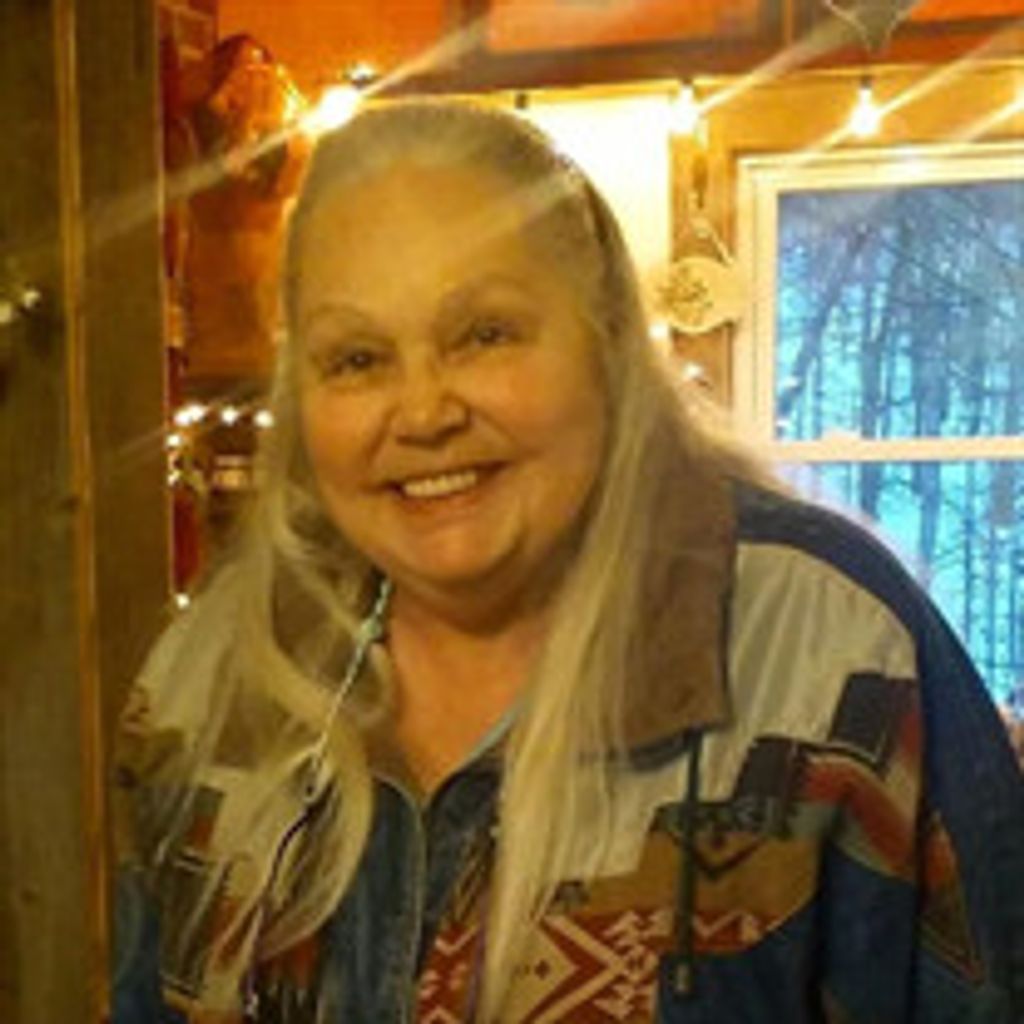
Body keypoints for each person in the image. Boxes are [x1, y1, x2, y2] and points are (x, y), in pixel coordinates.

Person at [112, 99, 1024, 1023]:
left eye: (484, 334)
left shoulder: (834, 651)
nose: (423, 412)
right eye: (356, 358)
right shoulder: (207, 683)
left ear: (607, 339)